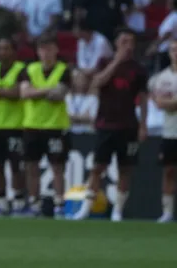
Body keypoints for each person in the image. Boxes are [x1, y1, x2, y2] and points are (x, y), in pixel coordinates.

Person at [73, 30, 149, 222]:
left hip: (128, 125)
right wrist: (116, 61)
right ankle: (85, 208)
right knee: (97, 167)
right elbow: (97, 82)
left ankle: (118, 210)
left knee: (125, 168)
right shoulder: (104, 62)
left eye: (130, 41)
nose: (127, 45)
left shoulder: (139, 69)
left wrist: (143, 125)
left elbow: (143, 99)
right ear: (116, 43)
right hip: (105, 123)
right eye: (123, 41)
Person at [20, 36, 72, 218]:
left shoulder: (63, 70)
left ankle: (59, 204)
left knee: (57, 167)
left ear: (56, 50)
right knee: (31, 166)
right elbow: (25, 93)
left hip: (55, 125)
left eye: (49, 49)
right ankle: (34, 203)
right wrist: (48, 89)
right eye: (42, 49)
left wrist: (36, 91)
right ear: (37, 51)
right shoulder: (30, 69)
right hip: (32, 124)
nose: (46, 53)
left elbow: (58, 95)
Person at [0, 37, 27, 216]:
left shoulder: (21, 69)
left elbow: (17, 93)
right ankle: (1, 202)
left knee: (16, 165)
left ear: (14, 51)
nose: (2, 52)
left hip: (14, 125)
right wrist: (2, 92)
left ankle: (18, 201)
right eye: (0, 49)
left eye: (7, 49)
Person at [149, 40, 177, 223]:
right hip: (170, 132)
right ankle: (167, 212)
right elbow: (159, 103)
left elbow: (165, 102)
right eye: (173, 50)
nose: (176, 53)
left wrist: (170, 102)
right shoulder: (163, 77)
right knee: (169, 171)